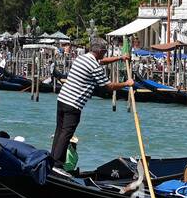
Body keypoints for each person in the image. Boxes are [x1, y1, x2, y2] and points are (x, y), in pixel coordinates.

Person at [51, 38, 132, 168]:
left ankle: (52, 160)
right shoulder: (94, 66)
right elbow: (108, 86)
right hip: (73, 103)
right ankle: (57, 164)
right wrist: (127, 84)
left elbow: (102, 61)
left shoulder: (82, 58)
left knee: (59, 131)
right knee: (66, 133)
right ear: (100, 51)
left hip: (62, 99)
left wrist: (120, 58)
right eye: (105, 51)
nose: (105, 54)